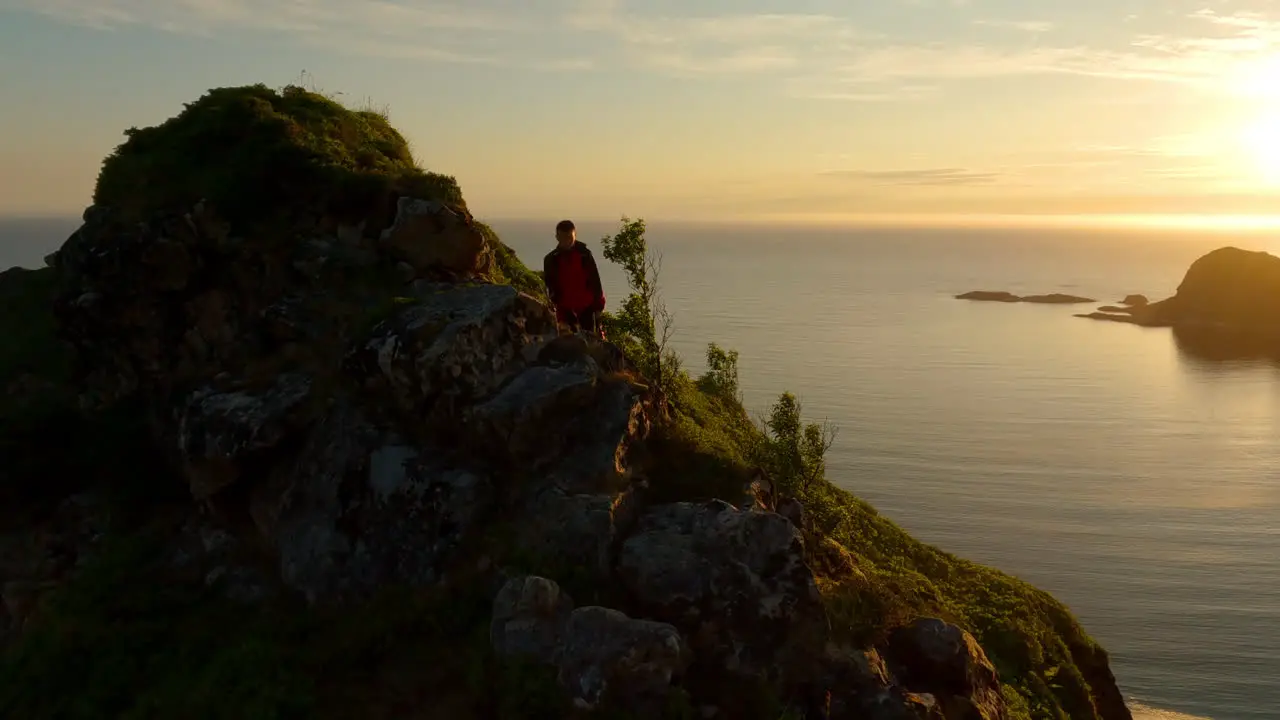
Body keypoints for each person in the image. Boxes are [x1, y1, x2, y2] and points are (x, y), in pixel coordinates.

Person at [543, 219, 606, 334]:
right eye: (563, 238)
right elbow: (549, 286)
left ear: (575, 235)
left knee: (589, 342)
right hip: (565, 310)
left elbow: (595, 281)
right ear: (557, 237)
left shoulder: (584, 255)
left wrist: (599, 307)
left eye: (570, 238)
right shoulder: (551, 259)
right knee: (568, 344)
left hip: (587, 308)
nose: (567, 242)